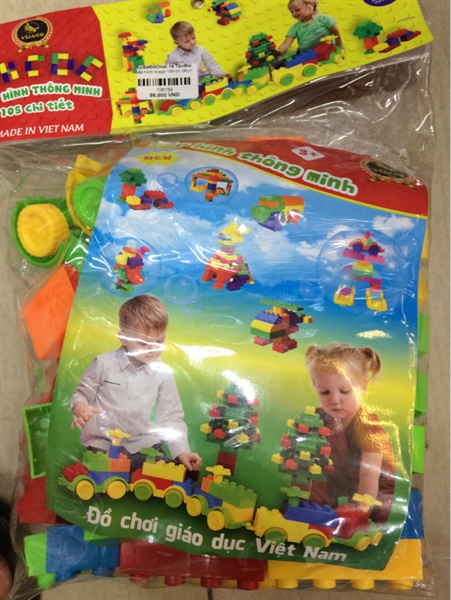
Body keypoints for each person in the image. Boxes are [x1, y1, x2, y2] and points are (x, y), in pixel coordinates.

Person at [71, 294, 202, 472]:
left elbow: (171, 416)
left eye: (160, 341)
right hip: (103, 441)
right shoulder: (103, 363)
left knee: (165, 472)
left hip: (141, 442)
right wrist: (81, 409)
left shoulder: (163, 373)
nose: (154, 349)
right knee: (101, 474)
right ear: (124, 338)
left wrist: (181, 451)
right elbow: (81, 394)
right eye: (144, 343)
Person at [305, 342, 395, 523]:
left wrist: (360, 511)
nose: (334, 400)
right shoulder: (319, 418)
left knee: (376, 510)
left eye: (345, 391)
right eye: (324, 392)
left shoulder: (367, 425)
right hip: (339, 485)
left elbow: (370, 477)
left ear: (363, 387)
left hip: (371, 493)